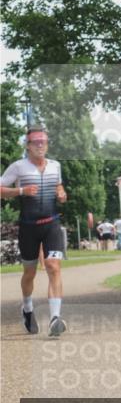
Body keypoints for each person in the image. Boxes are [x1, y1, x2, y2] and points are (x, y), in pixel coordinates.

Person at [0, 126, 69, 336]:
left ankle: (55, 318)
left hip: (52, 224)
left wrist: (62, 195)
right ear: (28, 146)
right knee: (29, 273)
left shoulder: (55, 166)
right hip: (28, 227)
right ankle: (28, 309)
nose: (40, 145)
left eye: (43, 141)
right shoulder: (18, 167)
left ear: (47, 144)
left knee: (53, 266)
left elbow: (60, 190)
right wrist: (21, 190)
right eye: (35, 142)